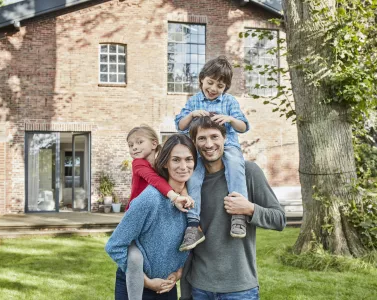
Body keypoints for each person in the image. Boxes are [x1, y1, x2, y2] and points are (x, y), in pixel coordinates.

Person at [180, 116, 286, 300]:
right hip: (200, 286)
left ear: (225, 139)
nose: (209, 144)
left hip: (240, 288)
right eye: (202, 138)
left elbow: (279, 219)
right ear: (195, 143)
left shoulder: (249, 172)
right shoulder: (191, 181)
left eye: (214, 137)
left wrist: (250, 208)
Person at [105, 134, 197, 300]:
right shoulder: (150, 198)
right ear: (165, 163)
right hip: (137, 286)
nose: (183, 166)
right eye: (176, 160)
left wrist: (177, 274)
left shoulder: (192, 201)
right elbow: (114, 246)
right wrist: (146, 281)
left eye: (189, 159)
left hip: (168, 287)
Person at [175, 56, 250, 251]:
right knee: (194, 176)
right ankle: (193, 224)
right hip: (200, 150)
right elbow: (180, 125)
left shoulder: (229, 102)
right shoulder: (194, 102)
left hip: (229, 145)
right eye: (210, 82)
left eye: (220, 85)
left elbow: (243, 127)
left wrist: (231, 119)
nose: (214, 88)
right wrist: (191, 115)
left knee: (235, 165)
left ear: (226, 88)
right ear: (201, 79)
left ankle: (238, 215)